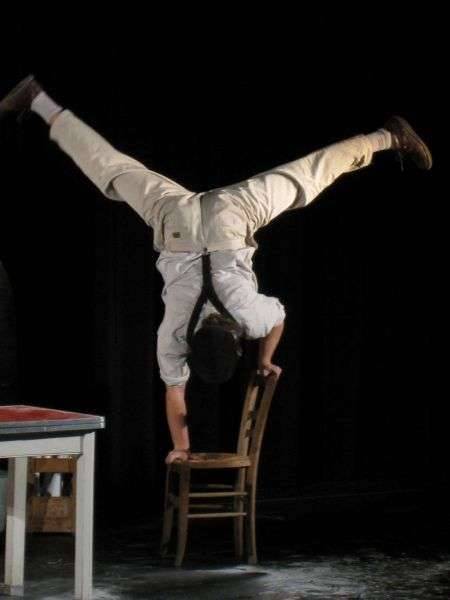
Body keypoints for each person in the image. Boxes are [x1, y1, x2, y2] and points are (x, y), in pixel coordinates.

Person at [0, 75, 433, 464]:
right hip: (177, 220)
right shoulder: (173, 335)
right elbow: (175, 394)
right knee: (111, 167)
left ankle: (388, 136)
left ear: (237, 340)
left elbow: (278, 318)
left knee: (309, 175)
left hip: (233, 217)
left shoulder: (247, 315)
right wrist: (181, 447)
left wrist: (265, 359)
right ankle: (38, 99)